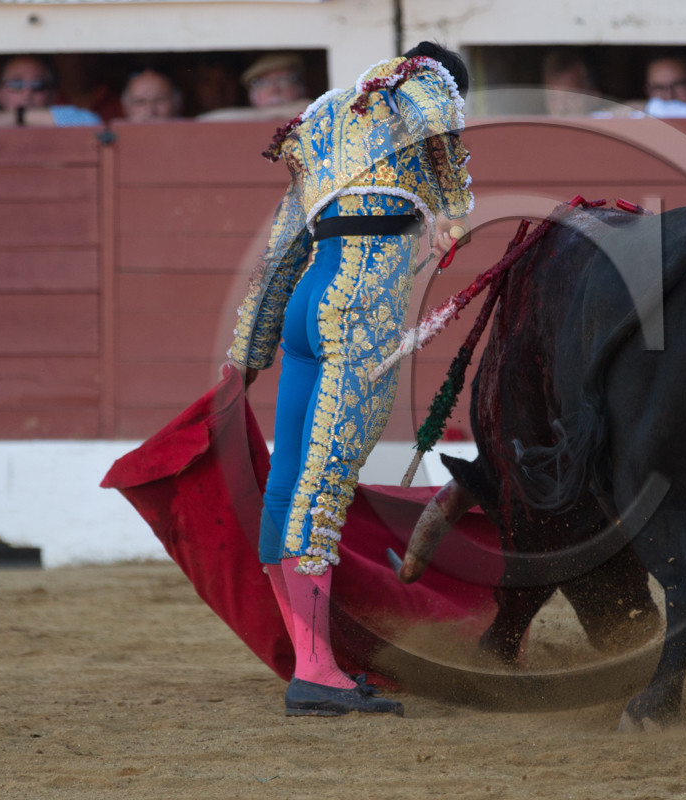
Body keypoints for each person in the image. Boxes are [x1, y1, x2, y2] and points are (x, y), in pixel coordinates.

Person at [224, 41, 473, 718]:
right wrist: (453, 207)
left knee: (288, 482)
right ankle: (316, 672)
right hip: (357, 308)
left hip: (310, 297)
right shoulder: (422, 86)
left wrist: (248, 352)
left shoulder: (327, 118)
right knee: (322, 490)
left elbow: (283, 249)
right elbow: (431, 108)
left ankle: (313, 659)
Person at [197, 52, 310, 121]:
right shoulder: (246, 117)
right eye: (263, 83)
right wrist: (272, 113)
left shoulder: (314, 111)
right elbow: (204, 121)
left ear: (302, 88)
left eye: (283, 80)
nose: (273, 89)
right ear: (252, 95)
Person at [540, 48, 602, 116]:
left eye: (571, 97)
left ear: (594, 97)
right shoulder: (533, 124)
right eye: (553, 98)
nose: (562, 109)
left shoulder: (609, 122)